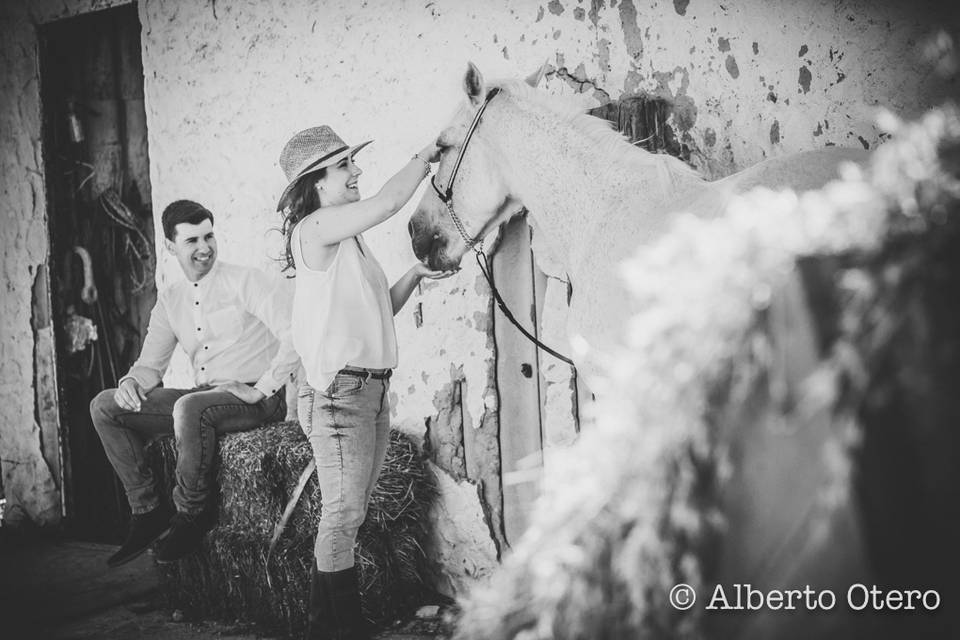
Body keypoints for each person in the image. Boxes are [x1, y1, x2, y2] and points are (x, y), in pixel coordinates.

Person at [276, 125, 451, 639]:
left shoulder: (348, 241)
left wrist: (415, 275)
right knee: (343, 515)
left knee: (347, 518)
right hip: (338, 397)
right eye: (345, 166)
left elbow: (379, 314)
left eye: (353, 163)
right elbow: (389, 201)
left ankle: (319, 629)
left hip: (369, 391)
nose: (356, 172)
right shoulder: (314, 228)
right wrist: (429, 152)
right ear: (318, 183)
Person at [90, 199, 300, 566]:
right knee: (105, 406)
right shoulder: (171, 301)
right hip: (204, 399)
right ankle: (147, 511)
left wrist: (263, 387)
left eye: (209, 237)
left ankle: (192, 515)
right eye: (192, 241)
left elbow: (296, 333)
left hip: (255, 398)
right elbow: (149, 366)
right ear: (170, 247)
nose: (204, 248)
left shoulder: (245, 281)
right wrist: (130, 382)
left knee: (189, 407)